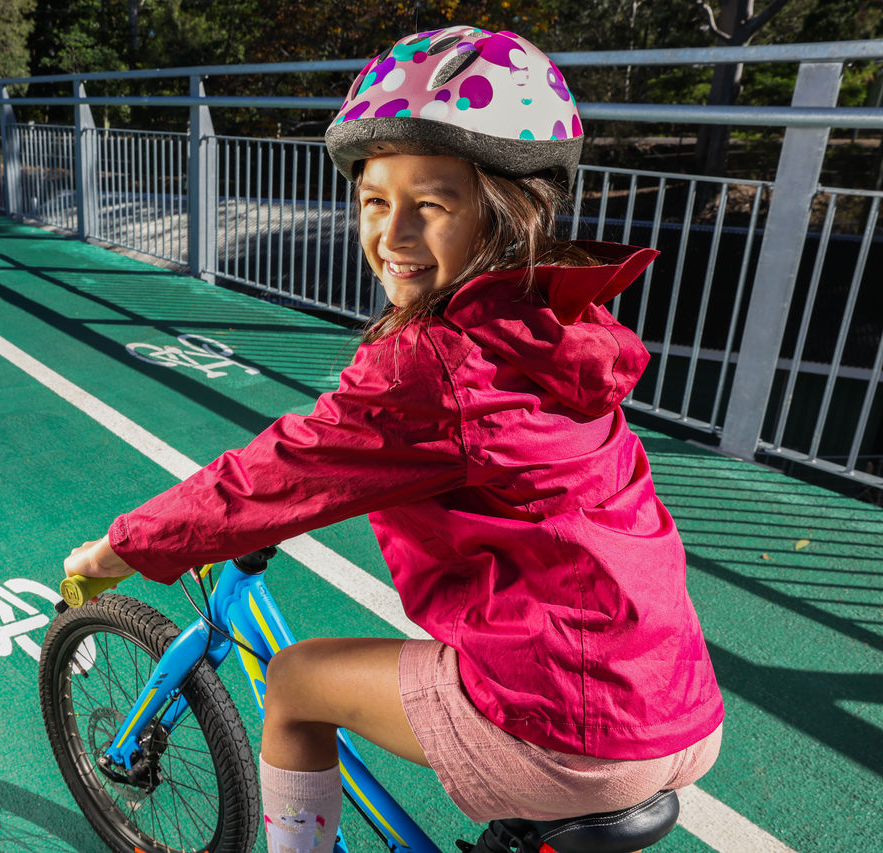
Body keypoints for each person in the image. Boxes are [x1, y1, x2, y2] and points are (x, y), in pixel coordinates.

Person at [64, 25, 724, 853]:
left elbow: (272, 477)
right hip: (675, 699)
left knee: (298, 683)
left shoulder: (435, 366)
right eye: (376, 200)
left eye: (434, 204)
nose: (395, 234)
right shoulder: (553, 321)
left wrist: (115, 550)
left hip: (573, 728)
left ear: (504, 211)